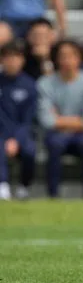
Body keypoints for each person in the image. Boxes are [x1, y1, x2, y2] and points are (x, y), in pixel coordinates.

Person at [37, 40, 83, 198]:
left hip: (82, 134)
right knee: (54, 144)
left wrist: (60, 119)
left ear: (80, 58)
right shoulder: (44, 84)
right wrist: (79, 120)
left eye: (72, 56)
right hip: (57, 134)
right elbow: (47, 121)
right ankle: (53, 195)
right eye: (63, 56)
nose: (67, 60)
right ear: (56, 59)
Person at [0, 41, 37, 201]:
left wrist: (16, 139)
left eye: (16, 57)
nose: (12, 62)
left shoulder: (30, 85)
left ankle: (24, 186)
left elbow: (28, 119)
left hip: (20, 132)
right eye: (8, 58)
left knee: (30, 150)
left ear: (22, 60)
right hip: (1, 132)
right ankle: (3, 185)